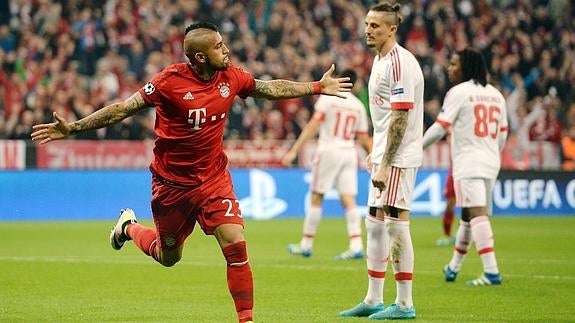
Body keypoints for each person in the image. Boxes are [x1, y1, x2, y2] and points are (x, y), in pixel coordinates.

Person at [31, 22, 352, 323]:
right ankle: (128, 227)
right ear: (200, 57)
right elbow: (122, 108)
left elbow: (269, 88)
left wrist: (315, 87)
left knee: (235, 243)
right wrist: (73, 127)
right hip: (172, 186)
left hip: (214, 180)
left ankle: (247, 319)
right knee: (168, 256)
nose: (226, 50)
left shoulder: (232, 78)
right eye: (218, 46)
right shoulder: (168, 82)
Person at [339, 2, 423, 320]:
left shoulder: (400, 63)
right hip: (384, 155)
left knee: (396, 225)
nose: (368, 30)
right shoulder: (379, 61)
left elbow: (401, 117)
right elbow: (385, 119)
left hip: (398, 158)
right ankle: (373, 298)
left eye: (375, 25)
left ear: (392, 28)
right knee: (373, 224)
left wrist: (386, 162)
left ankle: (404, 305)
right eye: (366, 24)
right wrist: (375, 156)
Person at [422, 47, 508, 286]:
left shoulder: (458, 92)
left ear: (465, 67)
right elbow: (503, 134)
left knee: (476, 214)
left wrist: (417, 148)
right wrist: (491, 152)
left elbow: (440, 127)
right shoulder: (496, 94)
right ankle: (453, 266)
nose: (449, 68)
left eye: (453, 64)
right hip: (491, 160)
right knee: (469, 216)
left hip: (469, 160)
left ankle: (491, 272)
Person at [281, 69, 372, 260]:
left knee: (316, 196)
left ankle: (306, 244)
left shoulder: (328, 98)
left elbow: (314, 125)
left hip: (329, 150)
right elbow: (363, 137)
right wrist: (373, 156)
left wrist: (294, 150)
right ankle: (356, 245)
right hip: (349, 152)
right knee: (349, 199)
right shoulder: (358, 106)